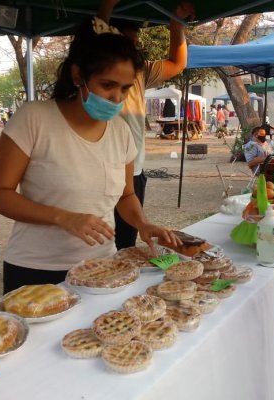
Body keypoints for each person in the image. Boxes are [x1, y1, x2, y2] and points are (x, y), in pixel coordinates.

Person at [0, 18, 181, 294]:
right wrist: (64, 218)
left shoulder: (121, 131)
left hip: (103, 268)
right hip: (36, 270)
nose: (116, 98)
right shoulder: (34, 118)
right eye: (107, 85)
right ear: (78, 77)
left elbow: (125, 196)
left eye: (125, 88)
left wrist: (142, 223)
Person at [98, 0, 195, 250]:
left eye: (136, 42)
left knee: (126, 243)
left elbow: (177, 64)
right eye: (126, 41)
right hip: (99, 168)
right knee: (99, 242)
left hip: (134, 169)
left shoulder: (141, 70)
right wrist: (106, 7)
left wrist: (176, 26)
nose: (134, 47)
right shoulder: (96, 63)